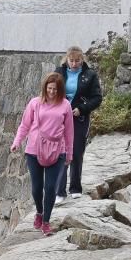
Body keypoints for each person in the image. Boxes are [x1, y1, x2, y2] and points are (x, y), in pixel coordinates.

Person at [11, 72, 74, 236]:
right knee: (37, 188)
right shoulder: (35, 103)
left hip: (57, 151)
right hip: (33, 149)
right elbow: (24, 125)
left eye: (55, 89)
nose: (52, 92)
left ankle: (46, 222)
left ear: (60, 90)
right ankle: (39, 212)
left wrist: (69, 154)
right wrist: (17, 142)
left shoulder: (65, 105)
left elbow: (69, 132)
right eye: (50, 88)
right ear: (45, 87)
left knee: (51, 187)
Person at [54, 45, 102, 203]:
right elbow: (50, 91)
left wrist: (82, 109)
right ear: (67, 59)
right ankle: (59, 191)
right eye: (72, 60)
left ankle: (75, 187)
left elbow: (96, 98)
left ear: (82, 60)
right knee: (61, 152)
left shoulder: (89, 75)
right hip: (60, 117)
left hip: (79, 118)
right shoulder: (59, 73)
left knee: (76, 151)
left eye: (77, 61)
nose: (74, 64)